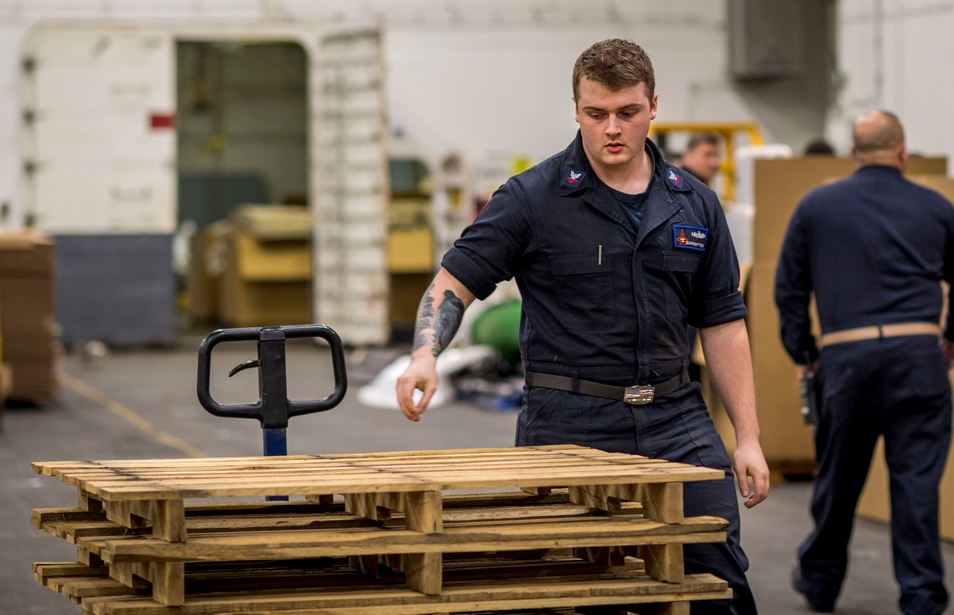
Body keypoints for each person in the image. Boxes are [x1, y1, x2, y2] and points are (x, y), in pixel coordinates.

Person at [396, 38, 769, 615]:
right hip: (569, 428)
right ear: (576, 110)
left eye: (627, 113)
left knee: (717, 581)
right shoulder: (530, 199)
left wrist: (747, 437)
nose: (611, 129)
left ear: (653, 108)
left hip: (677, 422)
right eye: (596, 114)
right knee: (580, 592)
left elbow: (722, 324)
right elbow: (454, 282)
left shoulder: (694, 203)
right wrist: (425, 354)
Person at [774, 110, 954, 615]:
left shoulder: (815, 206)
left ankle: (820, 584)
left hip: (846, 361)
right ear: (902, 150)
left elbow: (788, 288)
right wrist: (949, 337)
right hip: (920, 357)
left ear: (853, 153)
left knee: (837, 479)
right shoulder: (936, 207)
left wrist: (804, 352)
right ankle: (921, 596)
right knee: (916, 485)